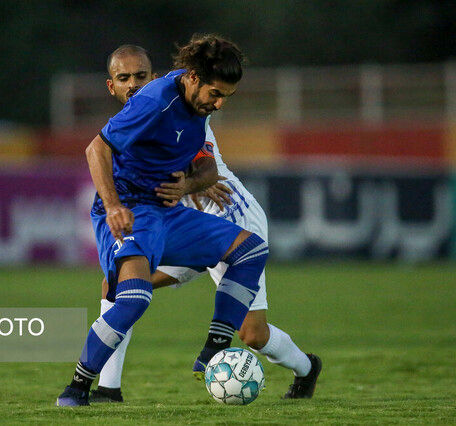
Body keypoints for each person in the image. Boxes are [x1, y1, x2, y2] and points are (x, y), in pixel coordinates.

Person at [89, 45, 321, 404]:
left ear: (153, 78)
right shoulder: (143, 115)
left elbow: (206, 169)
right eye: (124, 78)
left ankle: (306, 368)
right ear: (112, 86)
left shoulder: (180, 106)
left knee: (253, 335)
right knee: (118, 286)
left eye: (140, 76)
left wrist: (191, 183)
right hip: (176, 222)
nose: (133, 85)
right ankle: (108, 389)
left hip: (227, 213)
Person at [57, 34, 269, 407]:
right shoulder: (155, 101)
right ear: (191, 78)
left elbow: (207, 168)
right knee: (135, 298)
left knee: (250, 250)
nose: (218, 104)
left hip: (167, 213)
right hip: (132, 213)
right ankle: (77, 386)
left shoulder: (197, 107)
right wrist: (113, 207)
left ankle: (214, 350)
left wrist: (188, 182)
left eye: (225, 97)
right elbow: (96, 148)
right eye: (215, 94)